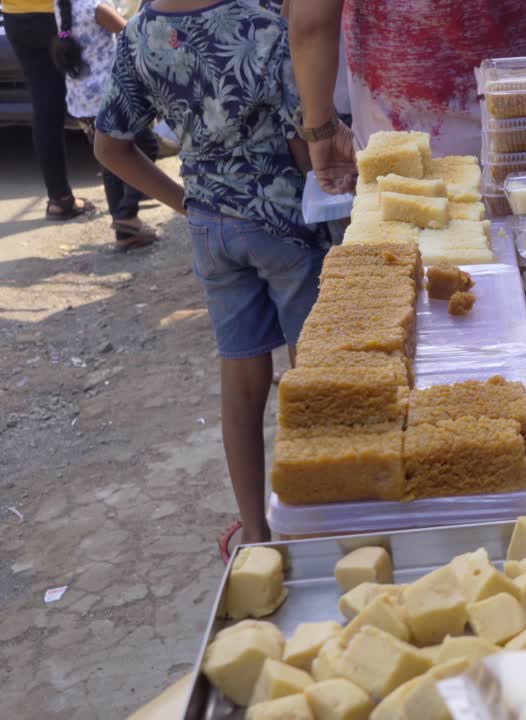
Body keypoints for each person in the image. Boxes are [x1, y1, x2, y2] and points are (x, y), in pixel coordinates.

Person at [95, 0, 325, 544]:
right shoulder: (265, 25)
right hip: (284, 225)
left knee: (241, 381)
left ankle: (255, 531)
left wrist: (187, 204)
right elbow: (303, 144)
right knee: (312, 375)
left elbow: (109, 145)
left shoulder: (142, 33)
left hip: (211, 231)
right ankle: (318, 517)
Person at [288, 0, 526, 195]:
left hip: (401, 146)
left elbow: (312, 22)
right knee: (525, 254)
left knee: (411, 261)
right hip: (525, 130)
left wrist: (320, 128)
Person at [51, 0, 159, 250]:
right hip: (110, 96)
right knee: (148, 146)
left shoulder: (62, 5)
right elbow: (130, 34)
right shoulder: (95, 7)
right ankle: (126, 215)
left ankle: (125, 232)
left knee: (110, 162)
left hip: (82, 101)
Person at [2, 0, 94, 219]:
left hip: (16, 18)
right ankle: (125, 203)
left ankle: (59, 198)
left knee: (44, 105)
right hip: (60, 16)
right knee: (94, 95)